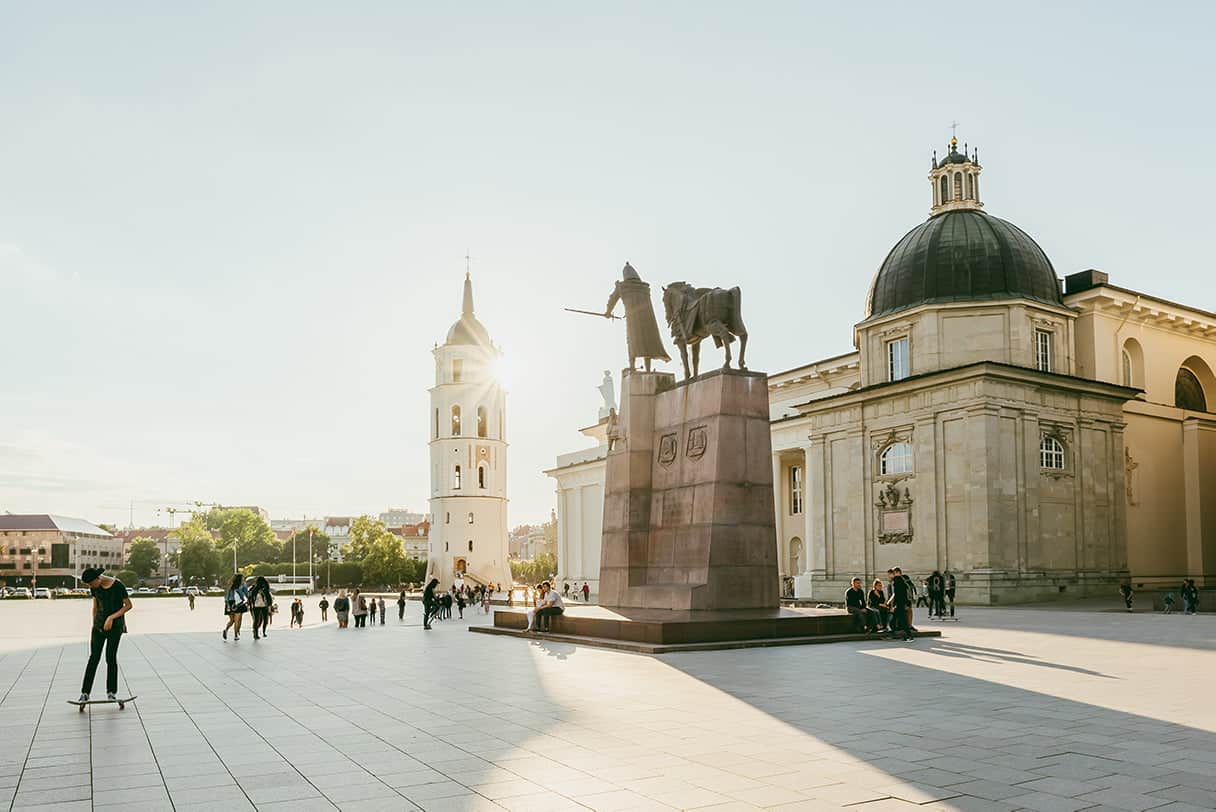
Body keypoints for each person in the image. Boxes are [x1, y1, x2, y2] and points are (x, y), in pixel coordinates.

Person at [77, 567, 133, 703]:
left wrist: (111, 618)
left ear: (98, 578)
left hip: (115, 626)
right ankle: (85, 693)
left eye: (91, 584)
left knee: (110, 658)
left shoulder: (118, 586)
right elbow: (95, 607)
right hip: (98, 627)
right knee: (94, 658)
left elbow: (128, 605)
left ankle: (111, 692)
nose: (91, 587)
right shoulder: (94, 588)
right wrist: (95, 625)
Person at [887, 567, 913, 641]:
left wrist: (894, 606)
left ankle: (908, 635)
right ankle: (906, 635)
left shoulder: (896, 581)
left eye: (891, 574)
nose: (890, 576)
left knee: (899, 621)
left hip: (899, 604)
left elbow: (897, 594)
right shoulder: (902, 580)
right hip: (901, 603)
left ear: (896, 573)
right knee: (898, 620)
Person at [223, 574, 249, 641]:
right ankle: (236, 635)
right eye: (243, 578)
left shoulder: (230, 585)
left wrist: (227, 604)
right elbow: (247, 594)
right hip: (239, 603)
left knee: (232, 620)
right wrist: (249, 601)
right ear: (240, 579)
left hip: (230, 602)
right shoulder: (243, 585)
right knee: (237, 620)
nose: (243, 579)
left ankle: (226, 630)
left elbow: (226, 595)